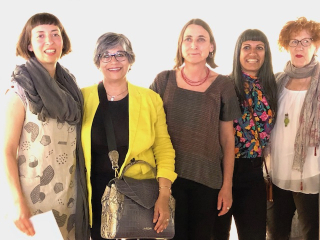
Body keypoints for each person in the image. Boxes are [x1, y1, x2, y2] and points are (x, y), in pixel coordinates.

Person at [150, 18, 241, 240]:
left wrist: (227, 186)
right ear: (180, 46)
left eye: (201, 39)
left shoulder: (223, 85)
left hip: (207, 180)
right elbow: (146, 127)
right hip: (167, 181)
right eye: (188, 39)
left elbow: (228, 140)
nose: (194, 45)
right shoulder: (164, 80)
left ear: (211, 47)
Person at [0, 12, 89, 239]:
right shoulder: (19, 89)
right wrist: (17, 202)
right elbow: (6, 151)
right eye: (40, 36)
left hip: (68, 198)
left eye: (55, 34)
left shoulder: (71, 87)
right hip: (32, 201)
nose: (49, 42)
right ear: (29, 45)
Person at [81, 32, 177, 240]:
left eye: (120, 54)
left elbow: (163, 148)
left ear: (130, 59)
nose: (113, 61)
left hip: (140, 198)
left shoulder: (150, 99)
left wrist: (164, 194)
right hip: (95, 196)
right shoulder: (81, 98)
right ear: (97, 62)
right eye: (106, 55)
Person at [213, 29, 277, 240]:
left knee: (254, 235)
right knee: (217, 234)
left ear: (266, 53)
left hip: (254, 171)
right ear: (238, 53)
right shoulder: (224, 85)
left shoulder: (272, 87)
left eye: (260, 48)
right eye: (246, 47)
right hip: (221, 172)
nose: (253, 53)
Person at [267, 17, 320, 240]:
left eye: (306, 41)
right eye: (294, 42)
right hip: (278, 168)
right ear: (286, 46)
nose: (299, 47)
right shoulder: (277, 81)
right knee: (277, 230)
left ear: (316, 45)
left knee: (310, 230)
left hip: (311, 170)